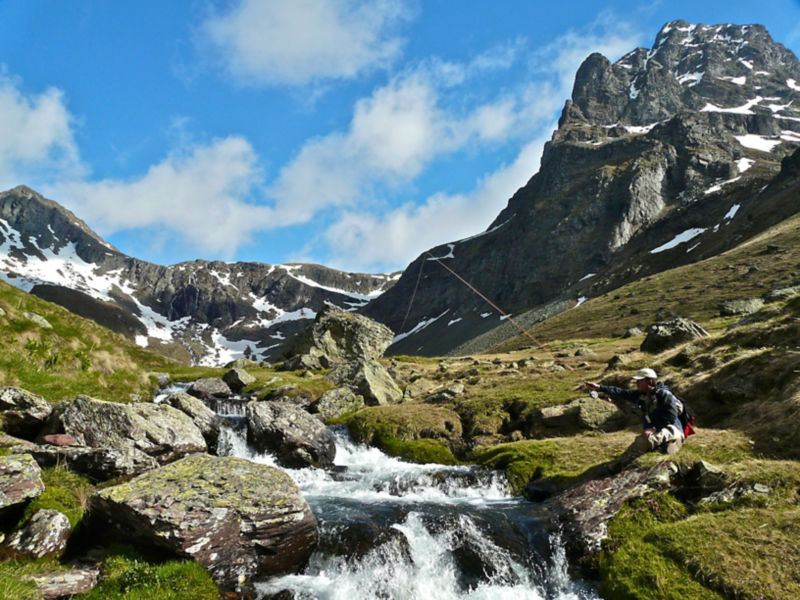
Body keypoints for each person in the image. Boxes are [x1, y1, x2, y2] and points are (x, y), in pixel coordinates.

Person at [586, 368, 684, 469]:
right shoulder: (642, 395)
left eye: (640, 381)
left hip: (672, 429)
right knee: (646, 441)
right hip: (659, 429)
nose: (637, 383)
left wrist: (654, 428)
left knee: (643, 440)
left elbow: (671, 415)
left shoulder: (664, 394)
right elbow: (621, 392)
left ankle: (619, 465)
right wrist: (600, 388)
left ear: (649, 381)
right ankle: (662, 447)